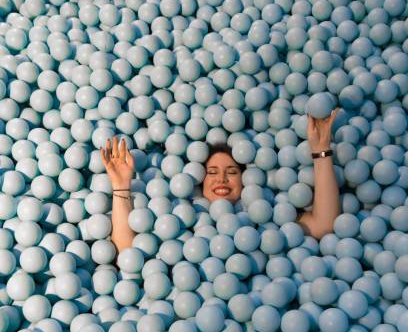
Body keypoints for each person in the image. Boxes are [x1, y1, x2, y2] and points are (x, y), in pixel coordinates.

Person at [101, 109, 340, 254]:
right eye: (212, 172)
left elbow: (323, 224)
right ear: (199, 180)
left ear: (247, 179)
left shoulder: (264, 216)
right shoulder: (182, 217)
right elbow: (127, 250)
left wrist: (321, 151)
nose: (222, 178)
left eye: (232, 172)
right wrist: (121, 186)